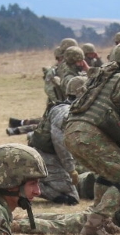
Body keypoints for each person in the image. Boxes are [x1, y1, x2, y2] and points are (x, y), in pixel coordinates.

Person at [64, 41, 120, 235]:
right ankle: (94, 226)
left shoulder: (103, 79)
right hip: (89, 135)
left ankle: (104, 222)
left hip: (71, 132)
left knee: (107, 174)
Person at [29, 75, 85, 205]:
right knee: (72, 198)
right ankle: (26, 187)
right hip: (48, 158)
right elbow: (60, 143)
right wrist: (71, 169)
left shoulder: (65, 109)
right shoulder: (65, 113)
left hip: (47, 156)